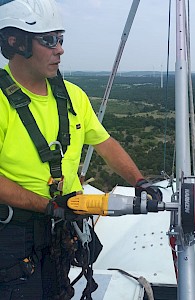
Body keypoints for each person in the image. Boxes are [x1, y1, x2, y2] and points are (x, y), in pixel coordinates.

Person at [0, 0, 161, 299]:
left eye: (61, 39)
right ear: (16, 41)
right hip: (16, 237)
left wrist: (139, 181)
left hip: (62, 229)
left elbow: (105, 144)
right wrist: (47, 206)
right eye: (49, 40)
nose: (59, 49)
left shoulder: (72, 95)